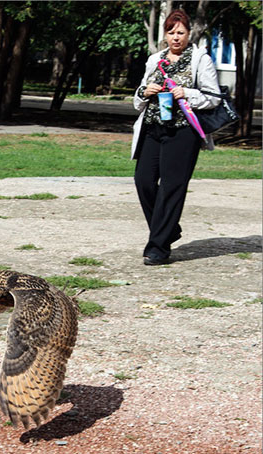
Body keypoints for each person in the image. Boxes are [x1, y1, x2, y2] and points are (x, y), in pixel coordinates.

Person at [131, 9, 221, 265]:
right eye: (171, 32)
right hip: (152, 128)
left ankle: (158, 247)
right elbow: (137, 100)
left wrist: (187, 93)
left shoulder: (200, 59)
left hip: (183, 132)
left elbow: (213, 97)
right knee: (144, 181)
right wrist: (145, 91)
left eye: (180, 32)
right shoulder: (155, 60)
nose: (176, 38)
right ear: (165, 35)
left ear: (189, 33)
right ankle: (169, 229)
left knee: (172, 187)